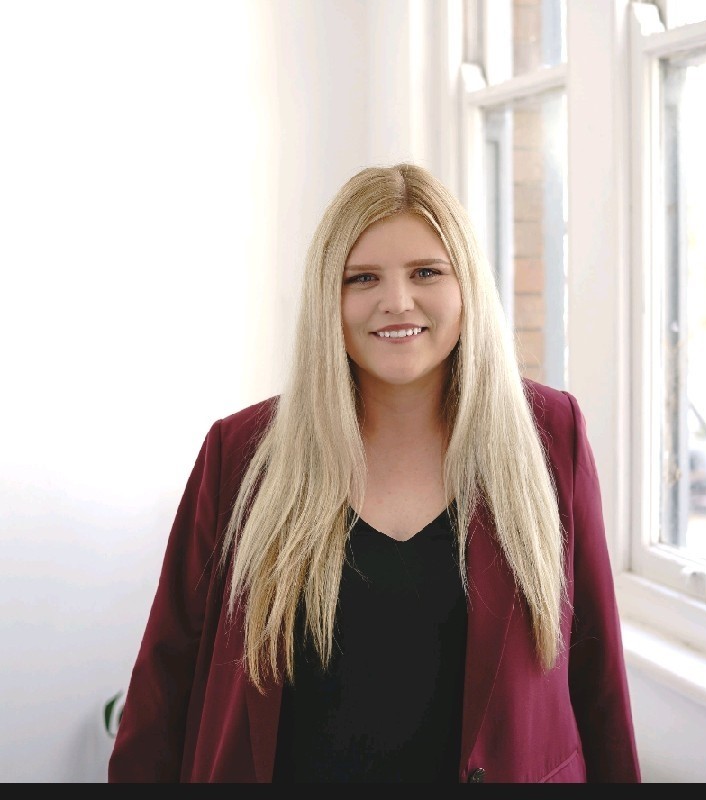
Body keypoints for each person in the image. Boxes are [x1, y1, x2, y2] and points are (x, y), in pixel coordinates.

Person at [108, 162, 641, 783]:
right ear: (327, 298)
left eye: (425, 273)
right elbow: (163, 682)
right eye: (362, 278)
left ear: (465, 284)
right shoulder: (242, 452)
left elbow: (596, 677)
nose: (396, 302)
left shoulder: (551, 433)